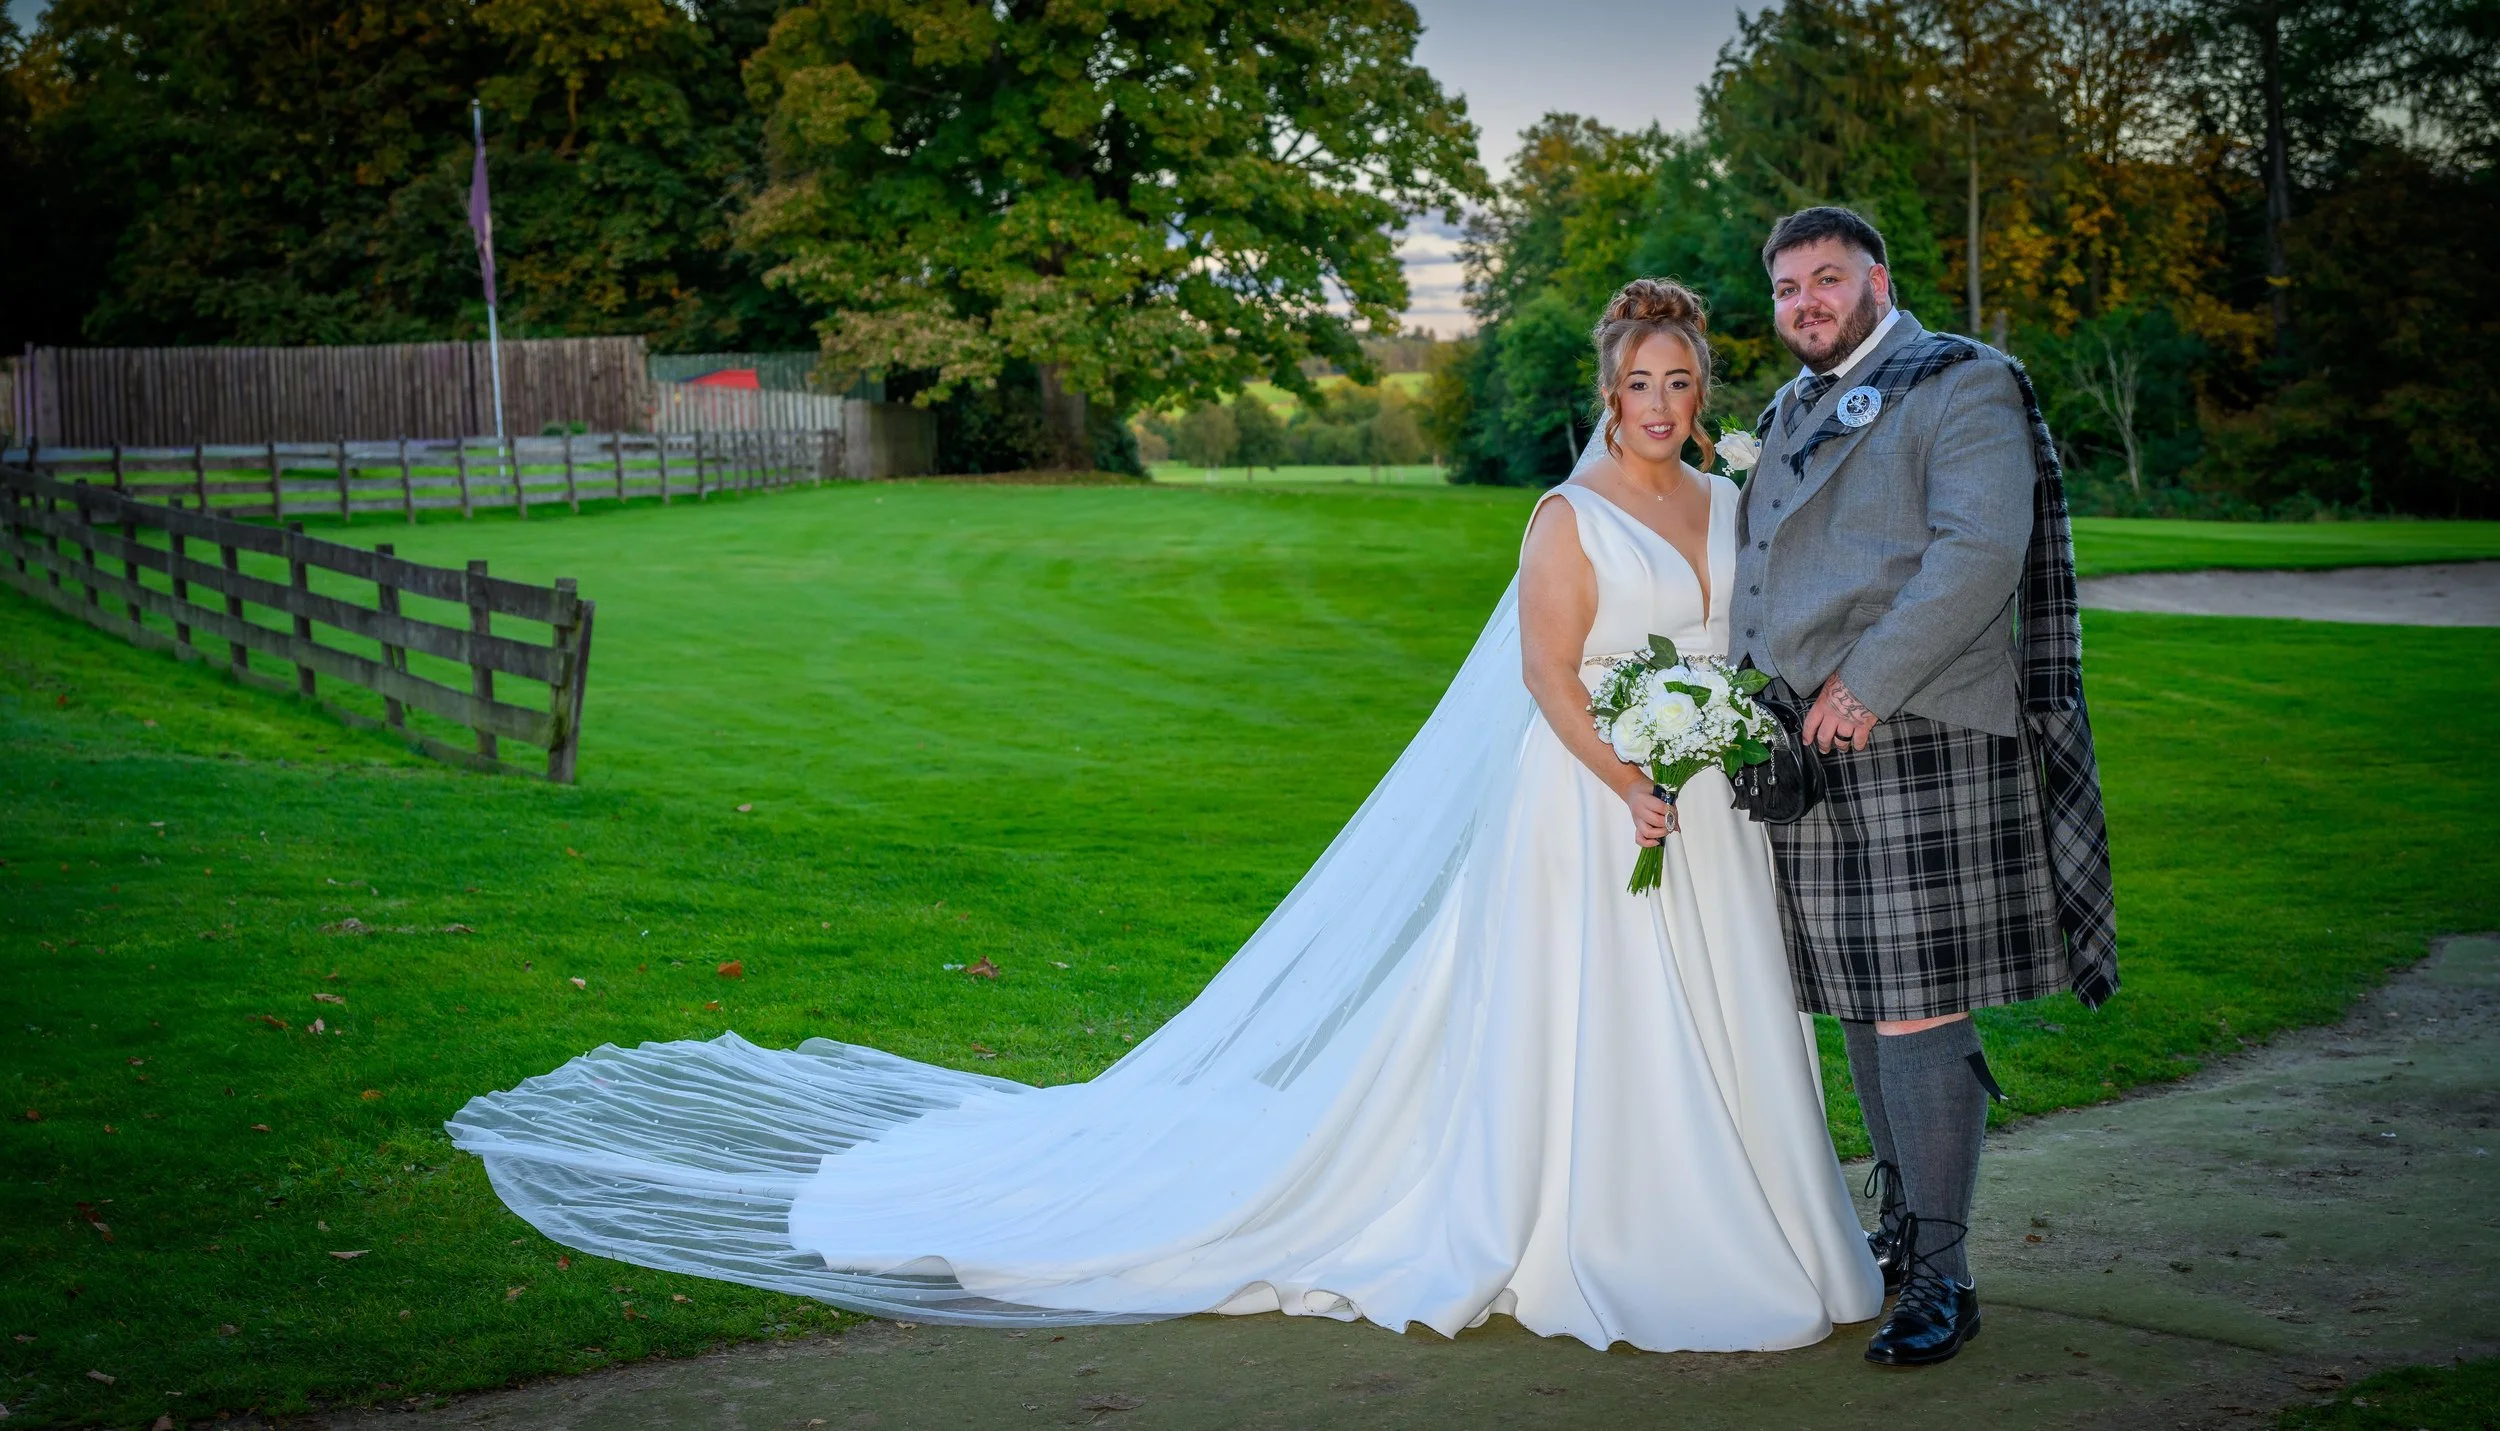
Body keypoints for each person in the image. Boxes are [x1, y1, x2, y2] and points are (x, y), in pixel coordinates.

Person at [448, 278, 1883, 1353]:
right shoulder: (1566, 519)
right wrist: (1628, 777)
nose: (1662, 401)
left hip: (1711, 809)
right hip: (1592, 807)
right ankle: (1609, 1217)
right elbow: (1545, 676)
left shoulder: (1730, 496)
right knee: (1595, 1024)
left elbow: (1746, 641)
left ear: (1706, 387)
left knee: (1725, 1008)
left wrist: (1725, 742)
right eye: (1639, 379)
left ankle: (1753, 1206)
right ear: (1609, 387)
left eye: (1682, 378)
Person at [1729, 206, 2119, 1367]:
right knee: (1858, 993)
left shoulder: (1962, 381)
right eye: (1788, 287)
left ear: (1877, 281)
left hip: (1916, 731)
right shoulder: (1783, 410)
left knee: (1914, 998)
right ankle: (1903, 1237)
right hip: (1802, 749)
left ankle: (1941, 1277)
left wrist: (1865, 682)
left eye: (1827, 279)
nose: (1806, 301)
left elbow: (1978, 551)